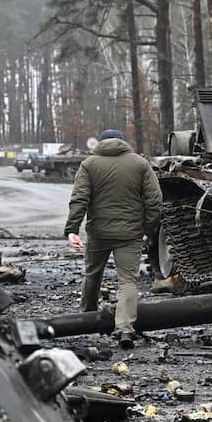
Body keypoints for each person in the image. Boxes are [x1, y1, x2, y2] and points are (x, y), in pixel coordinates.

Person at [65, 129, 162, 349]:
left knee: (92, 273)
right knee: (128, 280)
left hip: (98, 233)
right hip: (130, 235)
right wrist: (148, 228)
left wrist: (72, 229)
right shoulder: (140, 163)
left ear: (100, 143)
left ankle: (87, 317)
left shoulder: (89, 164)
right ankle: (125, 329)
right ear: (122, 142)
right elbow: (155, 200)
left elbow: (79, 198)